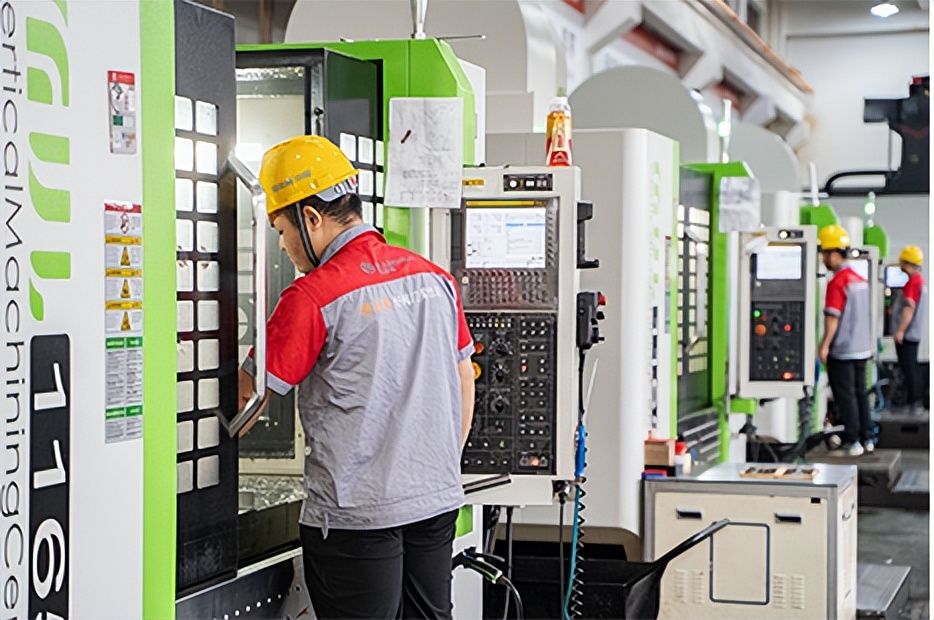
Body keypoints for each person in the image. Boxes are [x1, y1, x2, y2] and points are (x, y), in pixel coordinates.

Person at [237, 135, 476, 619]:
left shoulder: (312, 296)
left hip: (356, 519)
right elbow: (464, 378)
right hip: (434, 504)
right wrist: (437, 469)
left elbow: (245, 400)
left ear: (311, 218)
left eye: (281, 229)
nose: (281, 245)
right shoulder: (433, 278)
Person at [817, 225, 873, 456]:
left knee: (845, 395)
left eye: (824, 254)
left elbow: (833, 317)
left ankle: (852, 440)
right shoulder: (860, 280)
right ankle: (867, 438)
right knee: (860, 393)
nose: (823, 259)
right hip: (862, 348)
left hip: (843, 349)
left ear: (832, 254)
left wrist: (824, 345)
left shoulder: (837, 282)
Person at [893, 244, 928, 414]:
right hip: (914, 333)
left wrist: (900, 330)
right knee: (911, 368)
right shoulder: (920, 281)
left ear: (907, 263)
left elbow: (909, 308)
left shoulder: (913, 282)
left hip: (908, 334)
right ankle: (914, 402)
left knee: (909, 369)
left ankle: (914, 402)